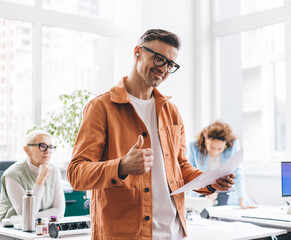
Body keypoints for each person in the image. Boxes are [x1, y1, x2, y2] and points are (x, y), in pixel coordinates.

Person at [67, 29, 235, 240]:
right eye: (158, 58)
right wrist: (121, 166)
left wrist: (210, 181)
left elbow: (180, 168)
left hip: (173, 233)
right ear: (137, 52)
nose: (163, 68)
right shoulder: (101, 107)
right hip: (124, 236)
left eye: (170, 64)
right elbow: (76, 174)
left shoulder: (171, 111)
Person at [0, 130, 65, 221]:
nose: (48, 151)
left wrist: (34, 216)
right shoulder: (12, 175)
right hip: (11, 230)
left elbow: (60, 211)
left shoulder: (54, 170)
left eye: (50, 147)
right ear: (27, 150)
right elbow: (26, 215)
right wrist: (40, 181)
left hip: (43, 226)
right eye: (42, 146)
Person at [187, 120, 254, 209]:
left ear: (225, 145)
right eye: (212, 147)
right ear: (206, 141)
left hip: (226, 195)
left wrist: (242, 202)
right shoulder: (193, 146)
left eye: (220, 148)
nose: (215, 152)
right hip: (201, 194)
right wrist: (206, 194)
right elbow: (191, 175)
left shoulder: (233, 145)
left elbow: (238, 174)